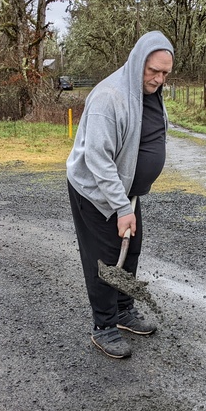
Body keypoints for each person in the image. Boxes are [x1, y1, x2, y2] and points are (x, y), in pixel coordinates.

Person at [66, 31, 174, 359]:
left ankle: (124, 312)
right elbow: (97, 158)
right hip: (96, 191)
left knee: (132, 249)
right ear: (138, 61)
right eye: (152, 70)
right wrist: (120, 206)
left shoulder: (149, 92)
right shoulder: (109, 97)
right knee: (106, 257)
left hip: (126, 192)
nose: (158, 78)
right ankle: (104, 327)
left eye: (165, 73)